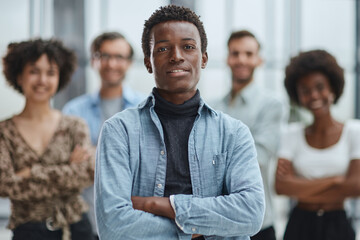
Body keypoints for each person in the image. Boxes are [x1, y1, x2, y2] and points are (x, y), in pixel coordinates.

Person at [95, 5, 265, 240]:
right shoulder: (119, 131)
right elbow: (112, 226)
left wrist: (156, 205)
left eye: (188, 47)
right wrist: (194, 231)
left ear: (203, 58)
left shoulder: (234, 133)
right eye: (163, 48)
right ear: (148, 62)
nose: (176, 56)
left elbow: (251, 214)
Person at [0, 39, 95, 240]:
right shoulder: (4, 131)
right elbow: (5, 185)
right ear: (19, 76)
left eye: (51, 73)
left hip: (77, 228)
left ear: (59, 77)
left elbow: (86, 174)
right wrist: (67, 171)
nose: (42, 80)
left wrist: (31, 173)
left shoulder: (74, 126)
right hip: (27, 231)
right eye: (34, 71)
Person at [62, 31, 145, 238]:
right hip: (86, 223)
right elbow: (66, 168)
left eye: (119, 57)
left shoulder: (145, 108)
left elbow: (147, 163)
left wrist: (92, 154)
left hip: (135, 223)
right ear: (93, 60)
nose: (111, 64)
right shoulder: (73, 111)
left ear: (129, 63)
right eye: (104, 56)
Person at [275, 49, 360, 240]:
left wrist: (300, 187)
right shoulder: (291, 133)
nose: (313, 95)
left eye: (320, 87)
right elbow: (281, 187)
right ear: (298, 95)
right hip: (299, 225)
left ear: (332, 88)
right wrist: (335, 181)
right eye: (305, 90)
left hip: (337, 225)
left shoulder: (354, 132)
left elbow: (355, 186)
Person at [213, 30, 285, 240]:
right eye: (235, 53)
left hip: (258, 223)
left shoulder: (272, 105)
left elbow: (258, 158)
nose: (241, 59)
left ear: (259, 59)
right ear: (227, 58)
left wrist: (213, 158)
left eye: (248, 53)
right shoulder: (213, 107)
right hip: (218, 222)